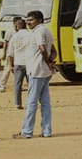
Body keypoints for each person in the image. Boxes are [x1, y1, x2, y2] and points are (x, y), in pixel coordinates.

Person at [14, 10, 56, 139]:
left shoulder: (38, 31)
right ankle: (46, 131)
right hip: (44, 71)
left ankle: (27, 131)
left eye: (31, 20)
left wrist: (48, 63)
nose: (28, 23)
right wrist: (50, 62)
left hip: (36, 70)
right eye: (27, 20)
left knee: (32, 102)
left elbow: (43, 48)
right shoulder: (46, 30)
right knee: (45, 102)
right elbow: (53, 50)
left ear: (39, 20)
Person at [7, 19, 31, 109]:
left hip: (18, 62)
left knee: (17, 84)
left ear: (17, 26)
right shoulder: (30, 35)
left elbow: (10, 53)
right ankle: (31, 102)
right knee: (31, 84)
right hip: (29, 62)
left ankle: (18, 103)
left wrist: (11, 65)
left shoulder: (14, 37)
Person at [0, 17, 25, 93]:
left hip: (18, 54)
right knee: (7, 69)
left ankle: (20, 86)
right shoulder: (10, 31)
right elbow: (5, 43)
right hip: (10, 53)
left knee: (18, 70)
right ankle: (2, 86)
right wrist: (4, 53)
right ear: (14, 23)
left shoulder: (21, 31)